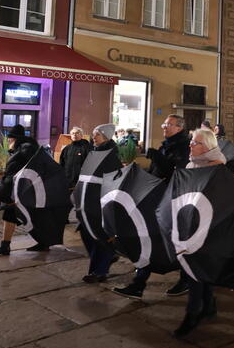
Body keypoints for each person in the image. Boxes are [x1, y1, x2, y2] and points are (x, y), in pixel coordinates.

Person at [113, 114, 190, 300]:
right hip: (157, 197)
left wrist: (157, 157)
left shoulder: (184, 147)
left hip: (173, 200)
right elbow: (157, 171)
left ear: (179, 127)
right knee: (149, 237)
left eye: (168, 124)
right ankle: (138, 284)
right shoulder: (167, 145)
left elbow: (177, 171)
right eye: (164, 123)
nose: (164, 127)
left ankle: (186, 278)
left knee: (176, 240)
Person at [173, 127, 224, 337]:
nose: (190, 145)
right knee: (195, 268)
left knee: (194, 269)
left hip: (209, 226)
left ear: (207, 147)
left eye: (195, 142)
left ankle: (192, 313)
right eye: (191, 141)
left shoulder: (217, 167)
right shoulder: (191, 165)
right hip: (189, 223)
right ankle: (208, 304)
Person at [0, 124, 40, 255]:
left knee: (30, 215)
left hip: (22, 189)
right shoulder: (19, 149)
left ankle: (43, 241)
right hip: (16, 188)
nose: (8, 140)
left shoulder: (26, 148)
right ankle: (5, 246)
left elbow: (29, 167)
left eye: (10, 138)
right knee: (10, 214)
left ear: (15, 138)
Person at [80, 124, 120, 283]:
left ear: (106, 137)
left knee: (100, 236)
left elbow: (114, 182)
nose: (93, 137)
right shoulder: (93, 152)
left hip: (100, 204)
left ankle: (99, 271)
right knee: (86, 233)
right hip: (86, 203)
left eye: (97, 134)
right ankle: (109, 256)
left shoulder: (112, 156)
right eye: (93, 134)